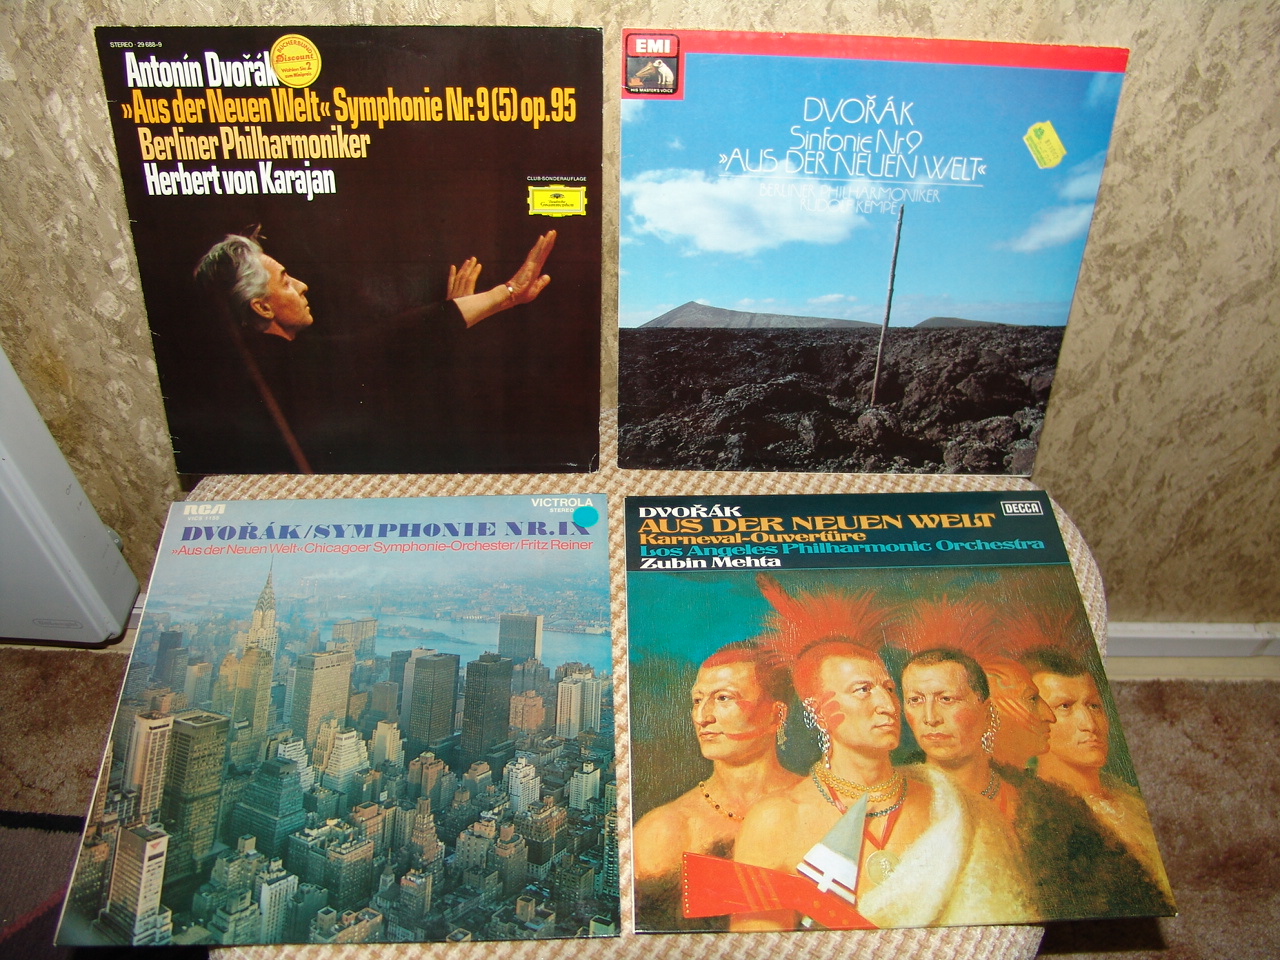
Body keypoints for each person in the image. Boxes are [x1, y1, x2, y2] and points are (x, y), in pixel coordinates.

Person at [720, 578, 1037, 930]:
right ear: (818, 711)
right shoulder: (773, 821)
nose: (887, 704)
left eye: (888, 688)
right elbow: (759, 947)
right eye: (862, 690)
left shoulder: (957, 808)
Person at [190, 227, 556, 471]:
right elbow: (383, 347)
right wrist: (506, 293)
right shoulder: (290, 371)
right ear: (262, 307)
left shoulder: (273, 363)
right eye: (286, 282)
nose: (302, 286)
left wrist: (456, 315)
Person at [632, 641, 799, 929]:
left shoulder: (820, 802)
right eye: (697, 700)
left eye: (723, 698)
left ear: (777, 714)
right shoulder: (664, 831)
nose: (702, 717)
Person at [1024, 648, 1174, 902]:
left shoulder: (1129, 801)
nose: (1090, 724)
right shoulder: (1036, 815)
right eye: (1065, 706)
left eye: (1093, 706)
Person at [900, 647, 1020, 817]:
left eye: (946, 699)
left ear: (986, 713)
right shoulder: (894, 796)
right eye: (915, 700)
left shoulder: (1023, 801)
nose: (930, 718)